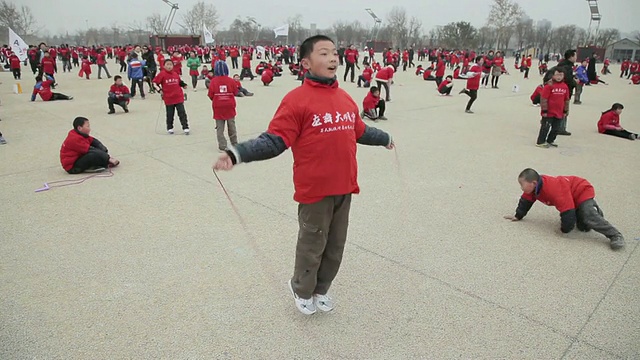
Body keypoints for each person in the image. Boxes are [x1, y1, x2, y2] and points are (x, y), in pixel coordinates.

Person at [212, 35, 394, 315]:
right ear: (306, 62)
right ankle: (302, 289)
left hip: (344, 188)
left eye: (334, 53)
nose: (333, 58)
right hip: (315, 191)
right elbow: (274, 140)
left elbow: (360, 131)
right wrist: (238, 153)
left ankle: (322, 289)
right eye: (324, 53)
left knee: (335, 246)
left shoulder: (345, 98)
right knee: (312, 244)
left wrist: (384, 138)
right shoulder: (297, 100)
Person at [504, 168, 625, 250]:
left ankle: (615, 235)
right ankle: (589, 211)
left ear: (534, 183)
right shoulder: (532, 190)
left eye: (522, 184)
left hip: (580, 190)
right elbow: (525, 202)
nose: (521, 188)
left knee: (588, 216)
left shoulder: (553, 189)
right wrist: (518, 216)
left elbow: (567, 211)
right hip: (569, 197)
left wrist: (565, 230)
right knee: (584, 228)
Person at [153, 59, 190, 135]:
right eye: (167, 64)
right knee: (170, 114)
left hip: (178, 97)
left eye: (171, 64)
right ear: (164, 66)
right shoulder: (162, 74)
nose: (169, 66)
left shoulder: (175, 73)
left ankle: (185, 127)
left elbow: (179, 82)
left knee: (182, 112)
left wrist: (184, 85)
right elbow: (154, 83)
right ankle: (170, 127)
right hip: (168, 98)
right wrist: (159, 90)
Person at [208, 61, 239, 152]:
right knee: (231, 126)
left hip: (218, 107)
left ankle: (222, 146)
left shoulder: (213, 81)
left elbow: (210, 95)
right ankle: (234, 143)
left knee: (220, 128)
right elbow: (235, 92)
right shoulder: (231, 80)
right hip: (230, 106)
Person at [536, 67, 569, 148]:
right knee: (545, 127)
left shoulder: (565, 86)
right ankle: (541, 141)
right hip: (549, 112)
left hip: (559, 112)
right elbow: (544, 99)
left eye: (561, 75)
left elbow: (566, 100)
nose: (559, 77)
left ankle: (550, 140)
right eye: (557, 75)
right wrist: (544, 110)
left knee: (556, 128)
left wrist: (565, 111)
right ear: (553, 75)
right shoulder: (549, 86)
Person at [554, 50, 577, 136]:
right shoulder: (566, 66)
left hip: (561, 91)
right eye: (575, 56)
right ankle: (560, 128)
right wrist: (575, 82)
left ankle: (558, 126)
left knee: (560, 108)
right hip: (564, 91)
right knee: (563, 109)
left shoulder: (563, 64)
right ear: (570, 57)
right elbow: (567, 80)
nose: (576, 58)